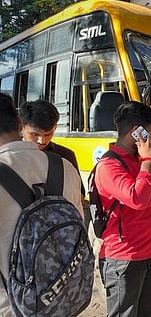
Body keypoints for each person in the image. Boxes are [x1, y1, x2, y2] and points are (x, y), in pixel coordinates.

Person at [0, 92, 83, 316]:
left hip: (11, 305)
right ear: (19, 123)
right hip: (62, 297)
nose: (41, 141)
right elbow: (78, 228)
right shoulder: (64, 167)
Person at [95, 100, 151, 317]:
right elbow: (137, 198)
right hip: (124, 259)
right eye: (149, 133)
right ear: (135, 132)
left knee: (146, 312)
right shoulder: (109, 165)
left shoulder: (137, 161)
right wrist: (147, 159)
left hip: (150, 253)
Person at [18, 99, 89, 224]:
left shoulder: (65, 156)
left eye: (48, 134)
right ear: (21, 126)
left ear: (55, 127)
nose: (41, 140)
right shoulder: (10, 156)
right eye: (34, 134)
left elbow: (79, 196)